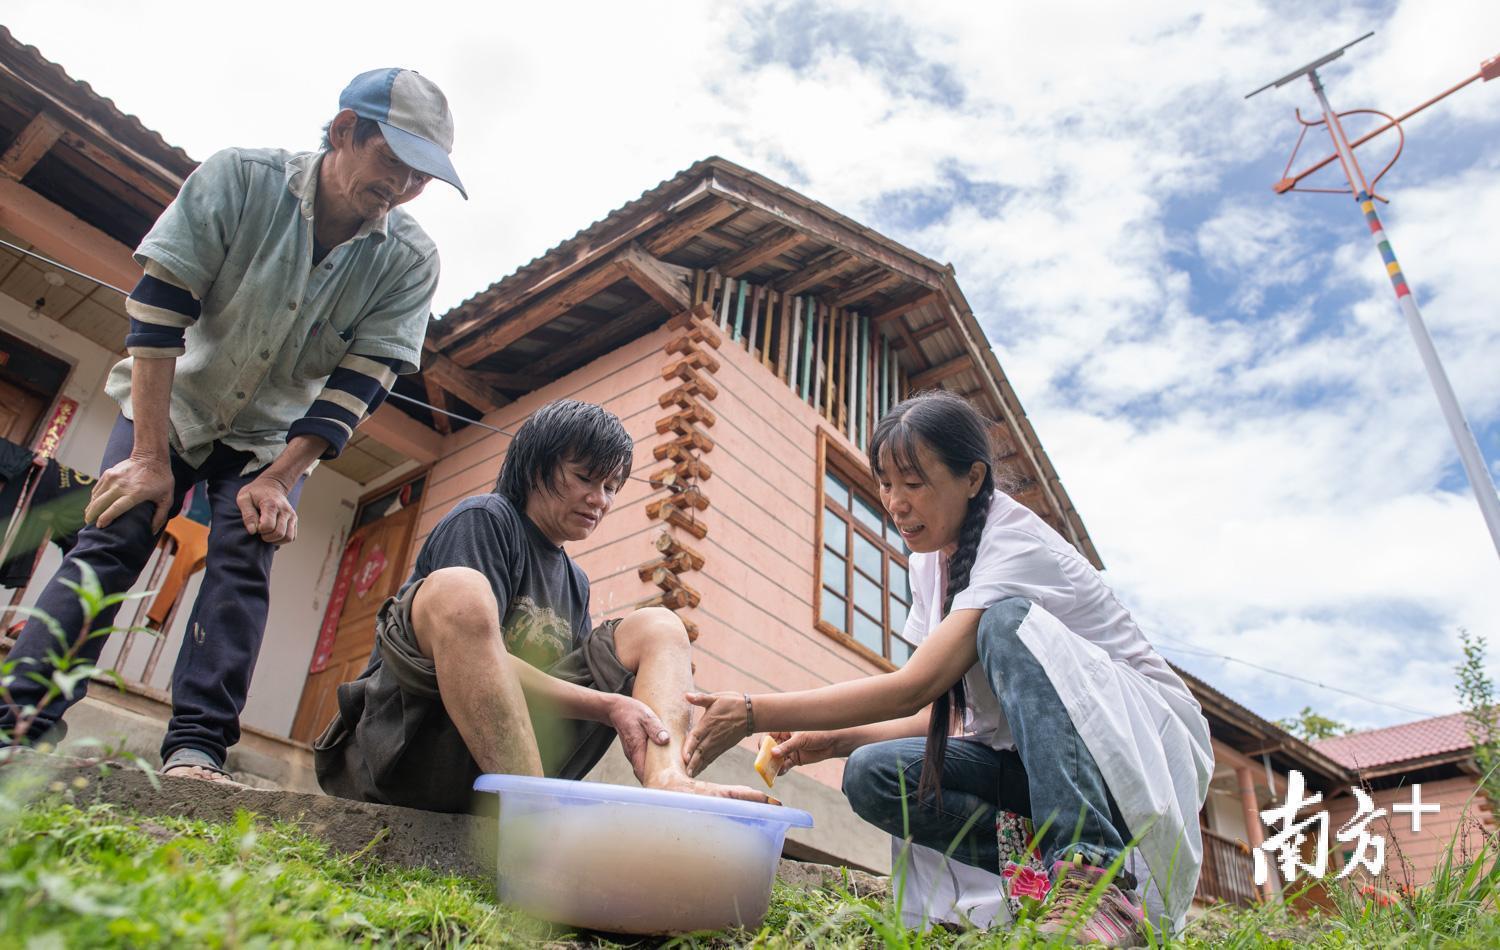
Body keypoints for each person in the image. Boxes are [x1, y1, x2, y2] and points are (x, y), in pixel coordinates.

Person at [0, 68, 466, 783]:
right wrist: (149, 456)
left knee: (243, 565)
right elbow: (157, 310)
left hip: (275, 439)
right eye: (392, 162)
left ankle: (195, 749)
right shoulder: (240, 180)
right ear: (344, 130)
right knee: (117, 533)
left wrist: (282, 478)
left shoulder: (409, 261)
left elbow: (360, 382)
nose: (402, 187)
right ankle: (20, 722)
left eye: (420, 177)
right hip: (173, 399)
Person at [682, 391, 1212, 944]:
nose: (894, 502)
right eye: (886, 482)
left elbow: (914, 687)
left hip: (1132, 746)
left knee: (1006, 623)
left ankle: (1093, 873)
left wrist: (750, 712)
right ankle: (1047, 874)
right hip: (1031, 766)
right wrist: (830, 740)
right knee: (872, 774)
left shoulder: (1014, 543)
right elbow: (941, 714)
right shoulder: (929, 565)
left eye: (914, 484)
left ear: (973, 479)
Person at [314, 400, 768, 813]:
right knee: (460, 591)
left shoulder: (576, 582)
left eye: (611, 486)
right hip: (414, 753)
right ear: (536, 468)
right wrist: (607, 705)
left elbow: (558, 693)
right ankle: (531, 813)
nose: (600, 500)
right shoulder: (485, 521)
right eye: (585, 478)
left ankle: (669, 783)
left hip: (498, 775)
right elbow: (470, 657)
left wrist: (611, 705)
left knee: (659, 623)